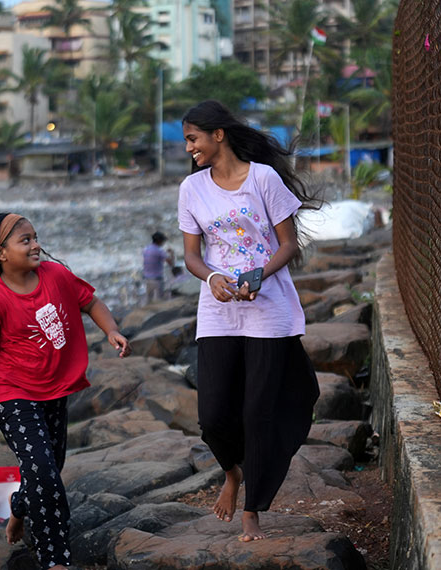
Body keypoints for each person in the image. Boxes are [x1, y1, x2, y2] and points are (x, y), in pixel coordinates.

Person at [177, 100, 320, 542]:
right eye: (187, 140)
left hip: (268, 311)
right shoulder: (192, 188)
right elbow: (191, 256)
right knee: (213, 415)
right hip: (218, 311)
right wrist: (215, 277)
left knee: (259, 412)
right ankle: (232, 473)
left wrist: (260, 274)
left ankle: (253, 509)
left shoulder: (263, 178)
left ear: (218, 135)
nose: (189, 149)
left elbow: (288, 244)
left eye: (193, 138)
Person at [0, 212, 131, 569]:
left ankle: (19, 507)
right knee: (44, 473)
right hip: (12, 394)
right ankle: (56, 560)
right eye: (25, 240)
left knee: (48, 470)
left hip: (54, 389)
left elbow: (91, 303)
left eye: (35, 237)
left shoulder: (56, 276)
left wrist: (111, 330)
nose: (36, 244)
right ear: (1, 253)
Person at [142, 231, 174, 304]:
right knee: (159, 302)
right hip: (157, 280)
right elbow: (171, 264)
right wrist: (172, 254)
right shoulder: (159, 251)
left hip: (147, 280)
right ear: (159, 240)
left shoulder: (146, 249)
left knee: (148, 302)